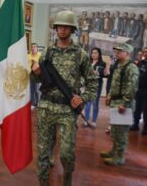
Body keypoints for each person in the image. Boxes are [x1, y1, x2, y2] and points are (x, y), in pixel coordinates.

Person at [31, 10, 98, 186]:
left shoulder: (80, 54)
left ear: (72, 29)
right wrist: (36, 73)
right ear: (55, 28)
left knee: (66, 154)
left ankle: (67, 180)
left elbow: (93, 83)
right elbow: (39, 80)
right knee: (43, 152)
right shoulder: (47, 53)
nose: (62, 29)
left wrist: (82, 98)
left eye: (66, 26)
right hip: (46, 107)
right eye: (59, 26)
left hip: (67, 110)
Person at [101, 43, 139, 165]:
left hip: (124, 103)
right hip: (115, 101)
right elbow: (115, 83)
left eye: (119, 51)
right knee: (115, 130)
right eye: (115, 51)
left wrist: (125, 103)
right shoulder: (119, 65)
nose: (116, 53)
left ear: (127, 53)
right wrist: (109, 96)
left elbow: (132, 88)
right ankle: (114, 151)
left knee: (121, 132)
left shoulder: (131, 68)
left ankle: (120, 157)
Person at [84, 47, 106, 128]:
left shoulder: (102, 63)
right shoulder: (88, 62)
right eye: (92, 53)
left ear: (99, 54)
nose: (93, 54)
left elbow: (103, 74)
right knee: (87, 103)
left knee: (95, 103)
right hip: (88, 85)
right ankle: (86, 120)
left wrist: (95, 72)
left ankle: (93, 121)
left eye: (95, 53)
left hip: (97, 85)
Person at [28, 43, 41, 107]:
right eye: (32, 47)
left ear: (37, 48)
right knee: (31, 90)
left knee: (37, 90)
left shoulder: (40, 55)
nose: (33, 48)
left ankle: (38, 103)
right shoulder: (28, 56)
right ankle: (33, 103)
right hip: (30, 75)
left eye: (34, 47)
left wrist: (35, 62)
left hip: (37, 75)